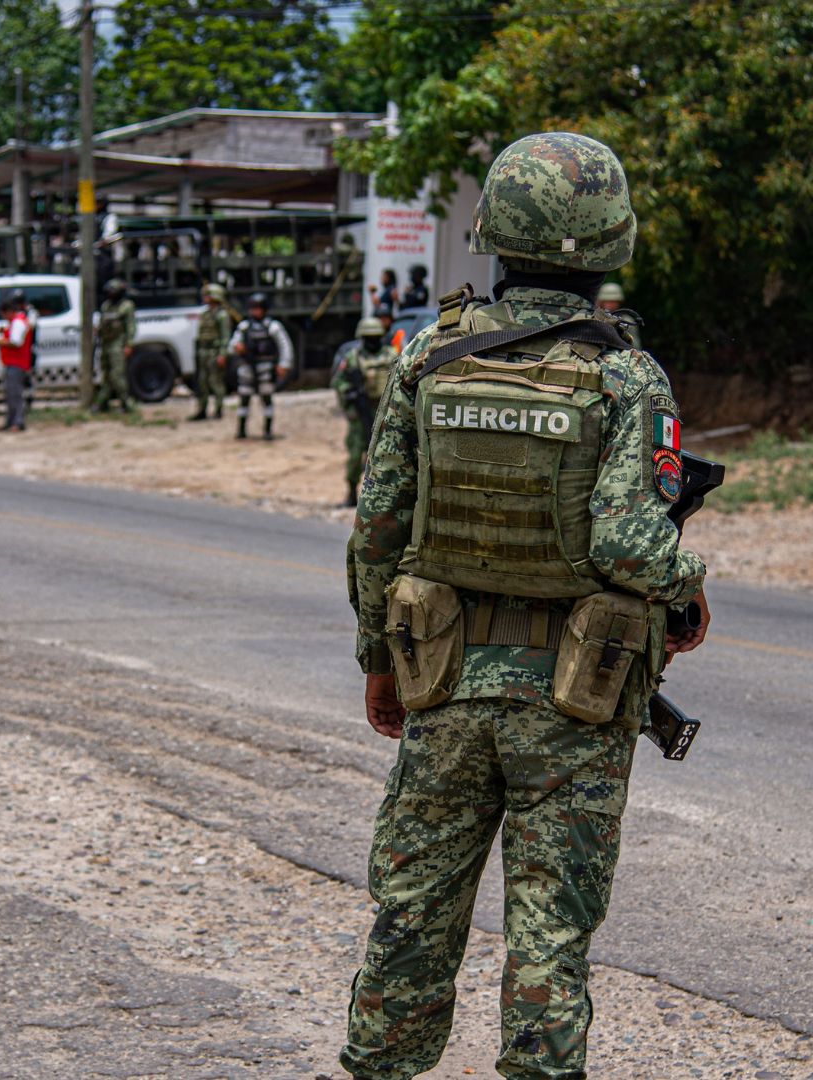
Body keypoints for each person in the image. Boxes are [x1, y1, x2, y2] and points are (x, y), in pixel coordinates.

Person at [340, 132, 709, 1080]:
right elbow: (627, 539)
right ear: (612, 243)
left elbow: (378, 528)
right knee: (549, 928)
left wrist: (379, 664)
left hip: (445, 682)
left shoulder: (432, 353)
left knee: (414, 907)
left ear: (495, 235)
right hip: (572, 704)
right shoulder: (628, 376)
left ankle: (381, 1066)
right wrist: (690, 582)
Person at [330, 315, 396, 507]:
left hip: (385, 412)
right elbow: (338, 381)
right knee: (355, 455)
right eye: (369, 337)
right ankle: (351, 491)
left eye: (375, 337)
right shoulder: (352, 357)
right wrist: (348, 396)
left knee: (385, 455)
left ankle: (383, 496)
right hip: (361, 412)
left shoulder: (391, 355)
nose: (372, 341)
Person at [228, 291, 294, 440]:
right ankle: (241, 429)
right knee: (244, 398)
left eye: (257, 308)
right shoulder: (244, 327)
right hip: (247, 367)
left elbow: (285, 346)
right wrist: (237, 347)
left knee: (266, 398)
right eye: (252, 308)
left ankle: (268, 430)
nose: (255, 311)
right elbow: (232, 345)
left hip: (265, 366)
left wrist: (284, 364)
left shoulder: (273, 327)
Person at [91, 278, 137, 414]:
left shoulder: (126, 306)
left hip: (118, 344)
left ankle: (127, 403)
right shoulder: (106, 306)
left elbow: (131, 327)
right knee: (105, 376)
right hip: (106, 343)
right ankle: (102, 403)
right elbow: (102, 324)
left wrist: (128, 344)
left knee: (117, 376)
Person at [191, 282, 235, 421]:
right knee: (202, 382)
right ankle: (202, 409)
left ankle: (218, 409)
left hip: (214, 352)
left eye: (208, 295)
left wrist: (222, 354)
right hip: (203, 351)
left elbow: (225, 337)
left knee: (215, 381)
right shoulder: (205, 314)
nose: (205, 297)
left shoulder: (221, 315)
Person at [0, 294, 33, 432]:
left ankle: (17, 422)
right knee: (11, 394)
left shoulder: (18, 322)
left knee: (15, 394)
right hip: (13, 362)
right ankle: (11, 421)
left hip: (17, 363)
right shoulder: (15, 322)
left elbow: (15, 342)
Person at [595, 281, 642, 350]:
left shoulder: (627, 321)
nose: (611, 305)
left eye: (614, 301)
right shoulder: (595, 319)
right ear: (601, 302)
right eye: (608, 301)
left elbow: (636, 347)